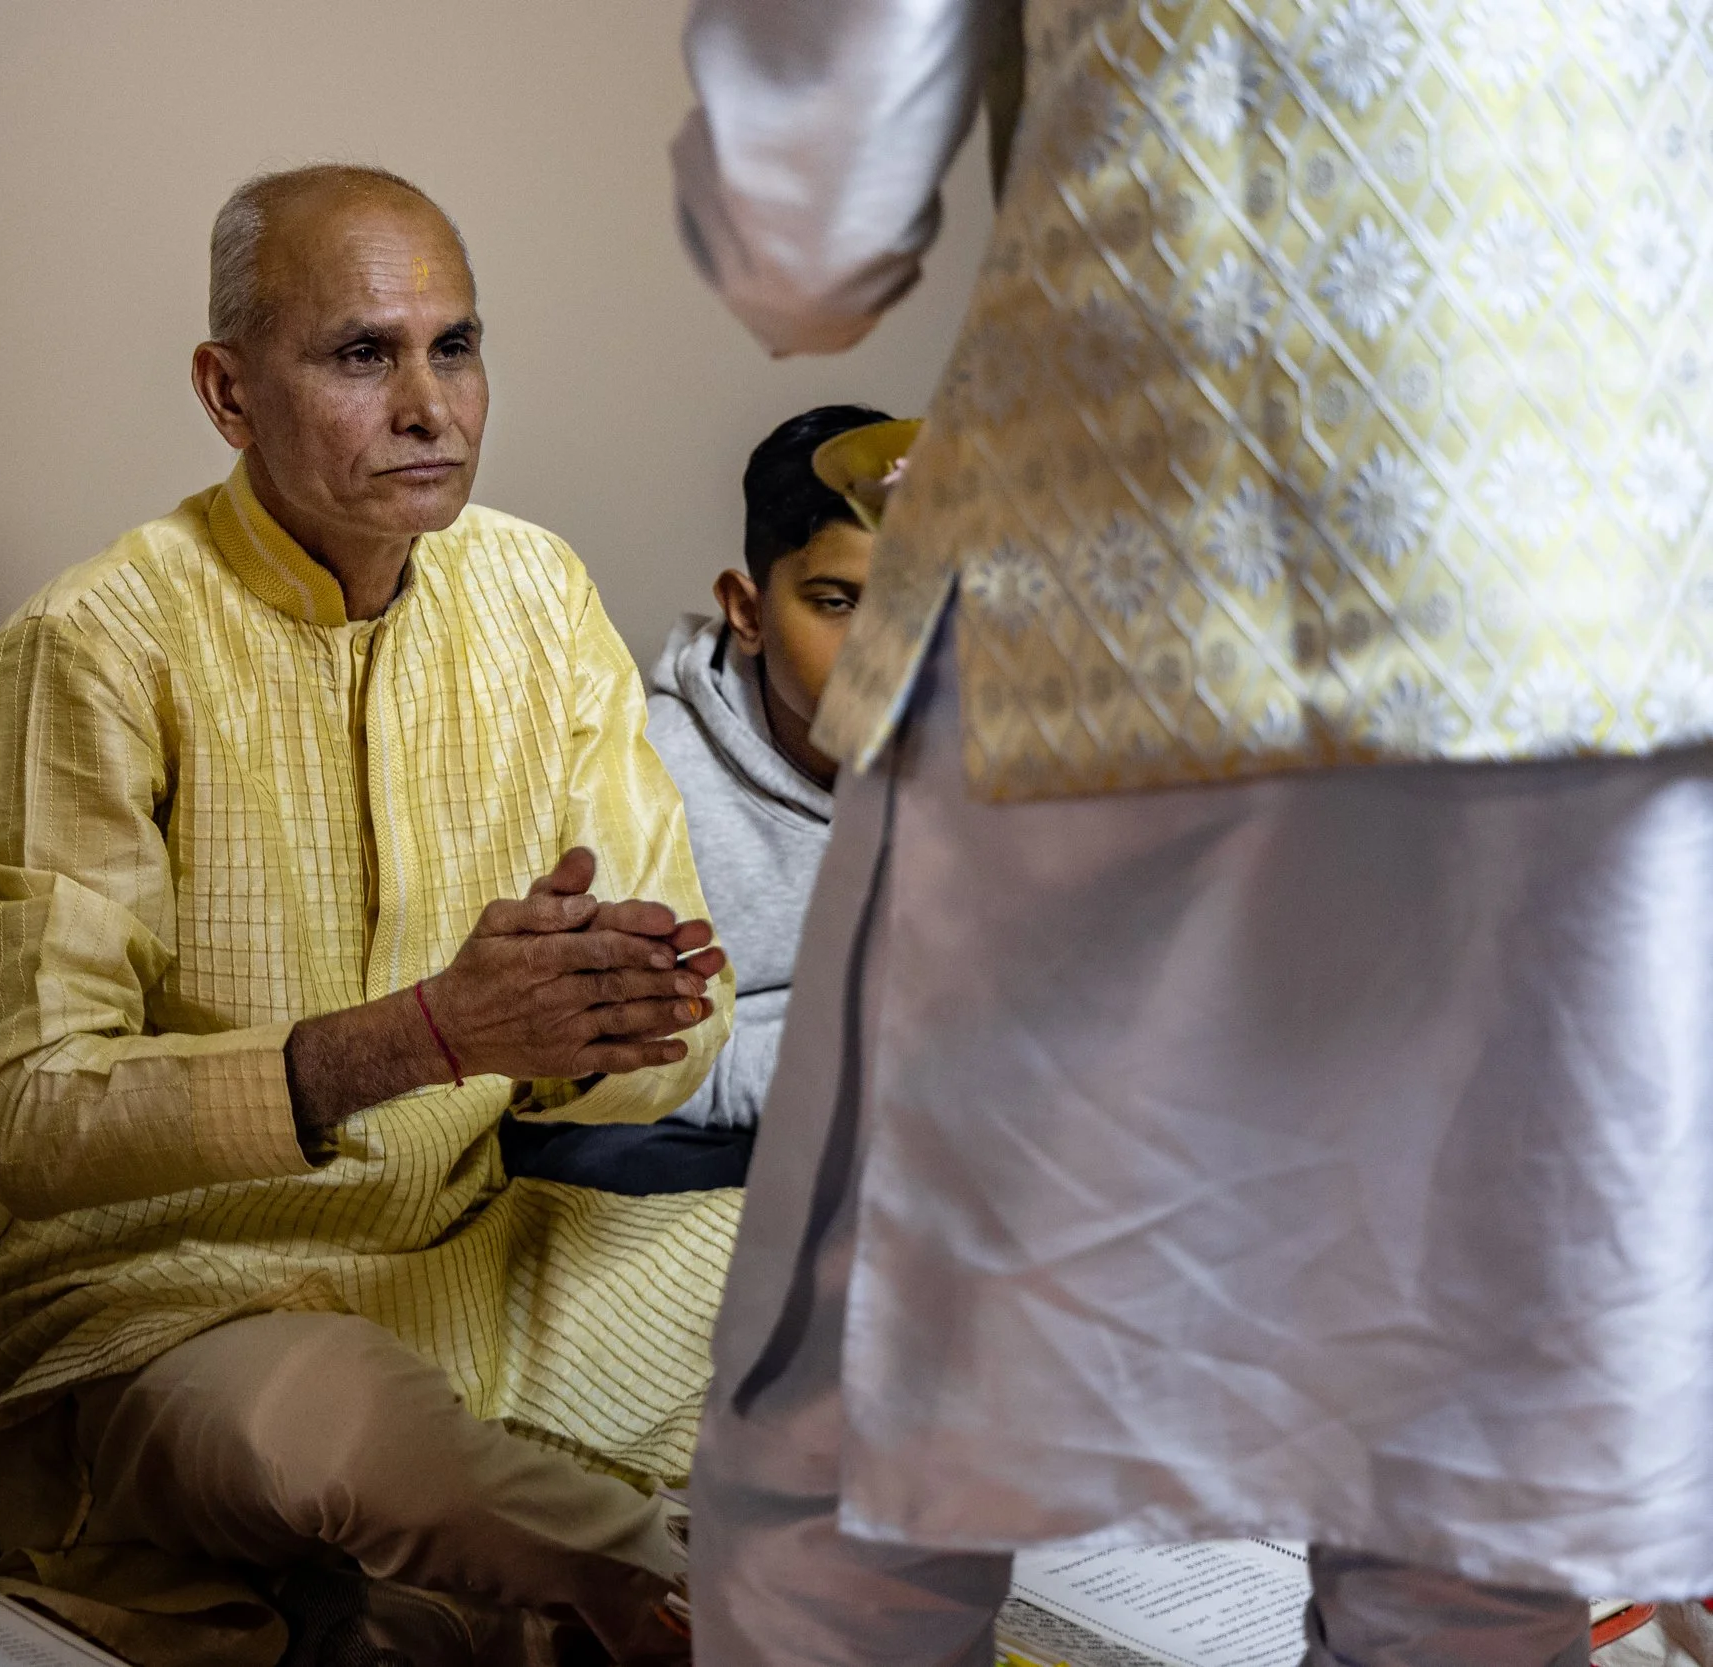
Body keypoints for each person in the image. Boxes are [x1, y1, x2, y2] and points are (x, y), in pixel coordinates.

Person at [670, 2, 1713, 1665]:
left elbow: (806, 226)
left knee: (845, 1474)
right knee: (1458, 1513)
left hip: (1156, 580)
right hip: (1621, 624)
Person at [0, 164, 738, 1664]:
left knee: (859, 1276)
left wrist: (596, 1027)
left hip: (467, 1254)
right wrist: (425, 1035)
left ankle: (445, 1596)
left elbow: (682, 996)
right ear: (229, 393)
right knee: (324, 1439)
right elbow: (26, 1114)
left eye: (455, 346)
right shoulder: (92, 647)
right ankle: (703, 1605)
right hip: (169, 1295)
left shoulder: (538, 592)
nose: (431, 405)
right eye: (364, 355)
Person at [502, 405, 906, 1196]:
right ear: (748, 611)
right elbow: (626, 1066)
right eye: (839, 601)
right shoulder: (641, 785)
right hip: (682, 1124)